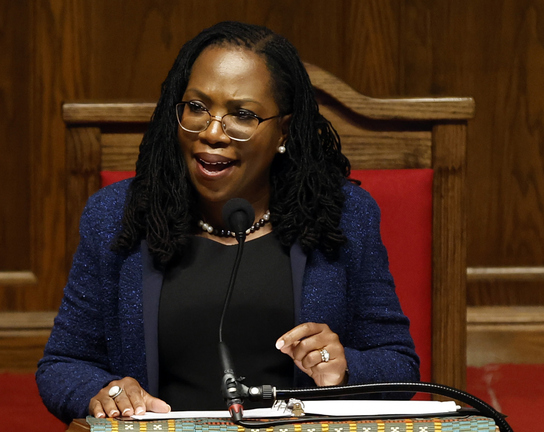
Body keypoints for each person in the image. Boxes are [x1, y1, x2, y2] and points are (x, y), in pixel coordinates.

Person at [36, 21, 419, 424]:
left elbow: (398, 365)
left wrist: (343, 369)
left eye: (242, 114)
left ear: (283, 132)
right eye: (197, 107)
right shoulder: (117, 217)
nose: (212, 132)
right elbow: (63, 364)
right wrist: (107, 392)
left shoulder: (341, 216)